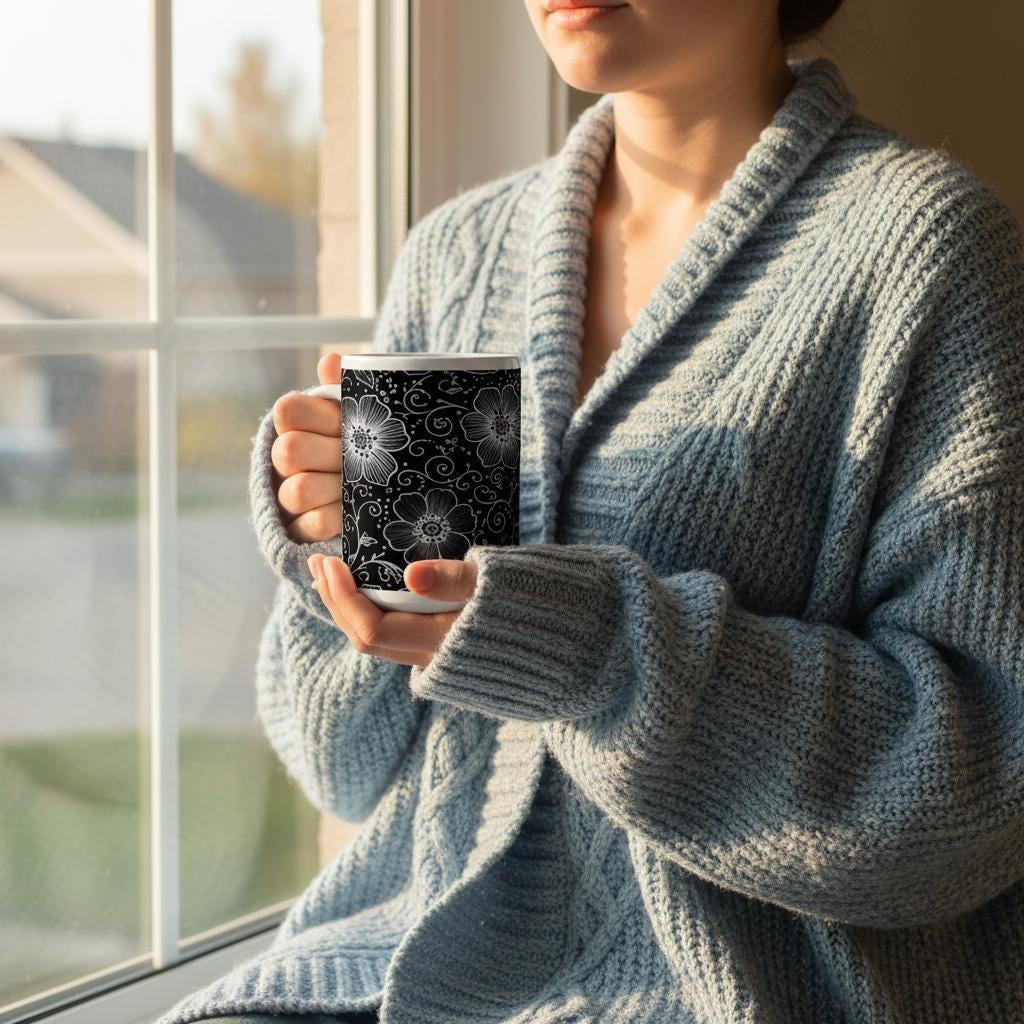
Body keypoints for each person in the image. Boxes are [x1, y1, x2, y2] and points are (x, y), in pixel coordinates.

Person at [156, 0, 1024, 1022]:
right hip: (398, 955)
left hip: (732, 991)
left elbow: (977, 795)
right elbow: (343, 765)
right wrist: (336, 555)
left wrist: (588, 649)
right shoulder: (459, 253)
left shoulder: (926, 251)